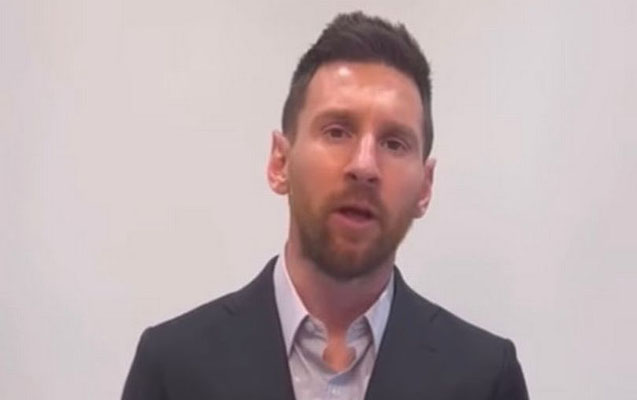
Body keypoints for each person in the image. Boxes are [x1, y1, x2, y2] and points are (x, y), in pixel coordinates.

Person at [122, 11, 529, 400]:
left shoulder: (485, 379)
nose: (364, 166)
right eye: (337, 132)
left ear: (425, 187)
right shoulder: (173, 368)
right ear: (280, 163)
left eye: (393, 143)